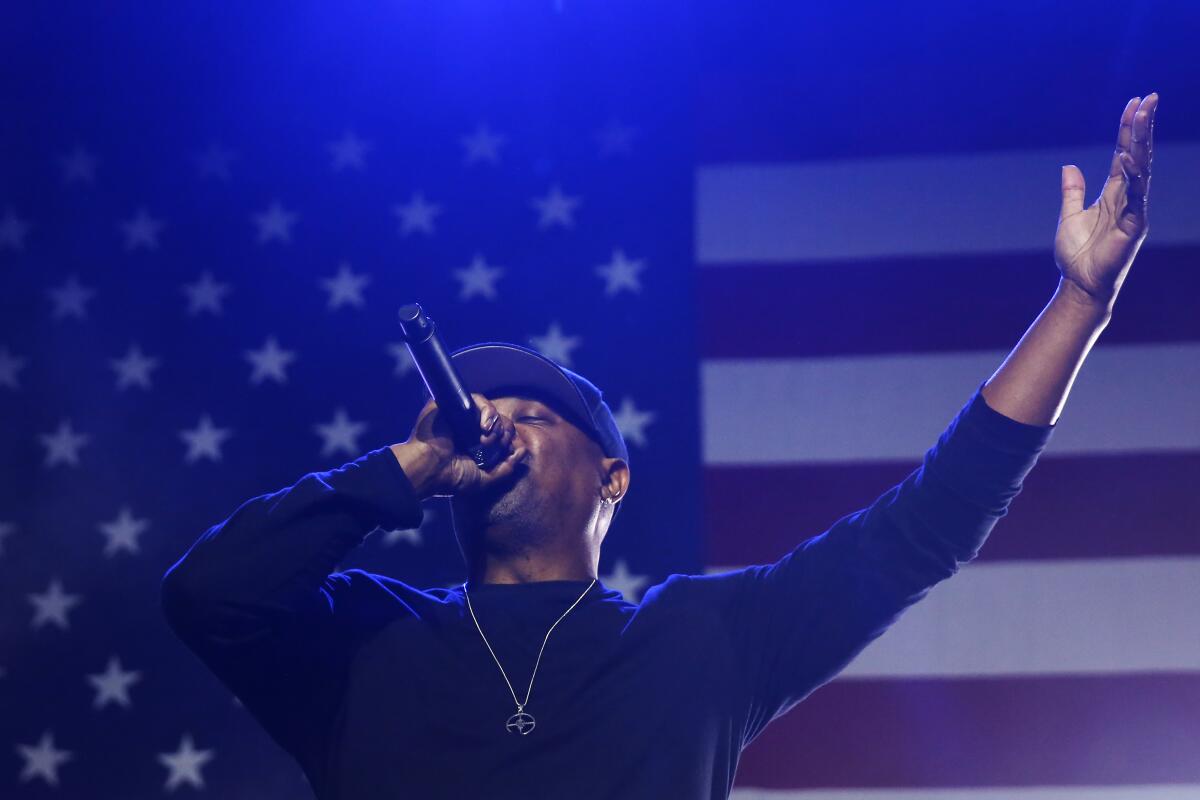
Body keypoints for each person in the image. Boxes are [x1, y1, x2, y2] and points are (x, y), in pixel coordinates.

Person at [161, 94, 1157, 799]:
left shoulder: (697, 639)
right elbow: (206, 594)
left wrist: (1079, 302)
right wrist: (402, 469)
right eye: (478, 408)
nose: (494, 421)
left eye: (535, 412)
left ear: (613, 474)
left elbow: (928, 523)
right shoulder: (364, 642)